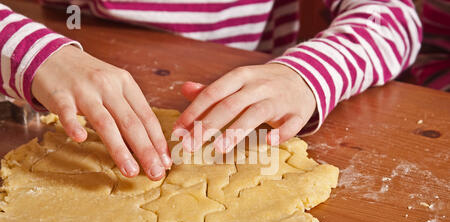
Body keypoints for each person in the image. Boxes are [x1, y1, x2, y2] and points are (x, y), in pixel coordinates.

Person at [0, 1, 422, 181]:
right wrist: (34, 57)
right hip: (68, 77)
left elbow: (394, 17)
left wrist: (306, 75)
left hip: (241, 95)